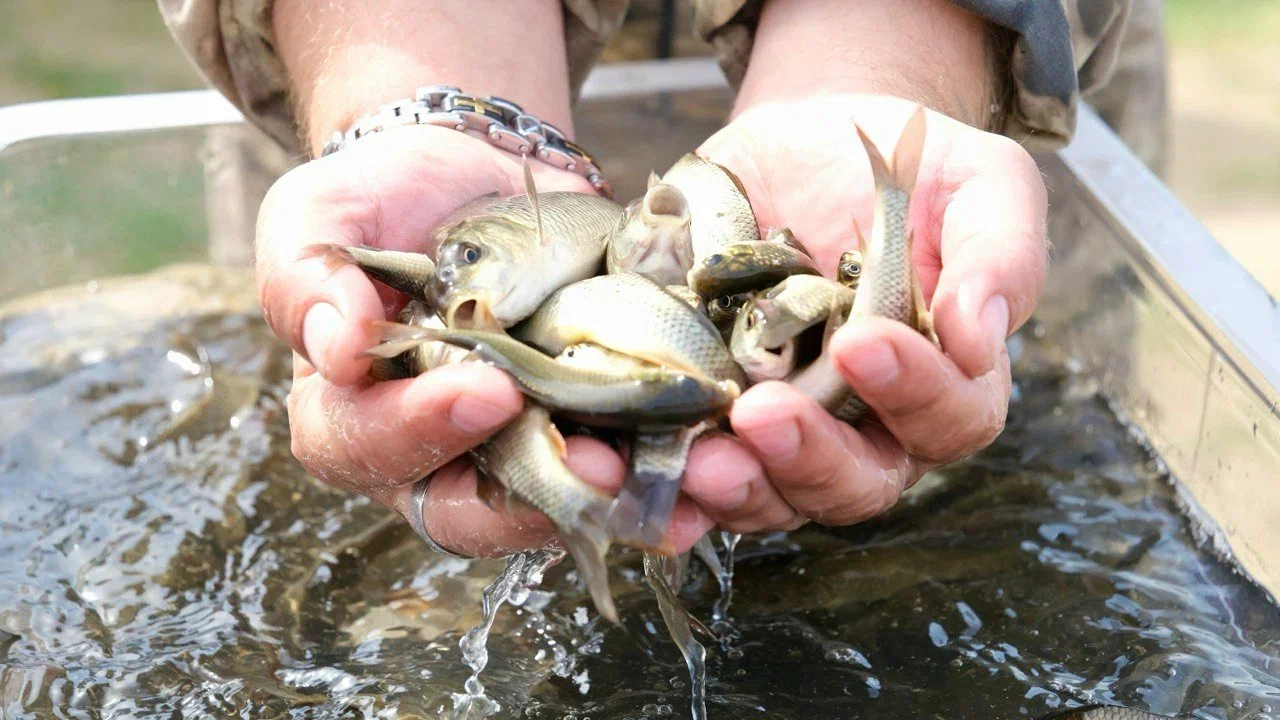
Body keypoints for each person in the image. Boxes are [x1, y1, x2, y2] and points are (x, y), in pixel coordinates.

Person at [157, 0, 1166, 559]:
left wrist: (887, 68)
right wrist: (420, 110)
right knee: (384, 497)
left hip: (957, 55)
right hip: (374, 60)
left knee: (1005, 507)